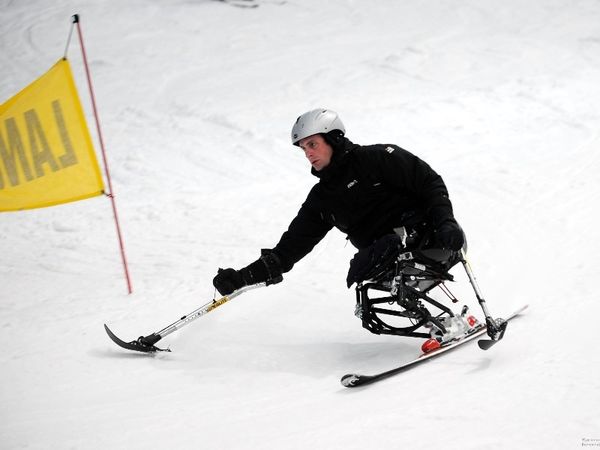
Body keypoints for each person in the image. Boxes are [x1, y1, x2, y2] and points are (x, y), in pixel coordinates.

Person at [213, 108, 465, 298]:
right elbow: (290, 248)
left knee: (387, 247)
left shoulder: (377, 158)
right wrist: (240, 278)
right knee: (360, 275)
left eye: (312, 144)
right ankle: (436, 326)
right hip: (386, 263)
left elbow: (429, 183)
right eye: (303, 148)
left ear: (333, 139)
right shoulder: (322, 198)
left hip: (433, 239)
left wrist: (446, 222)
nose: (308, 153)